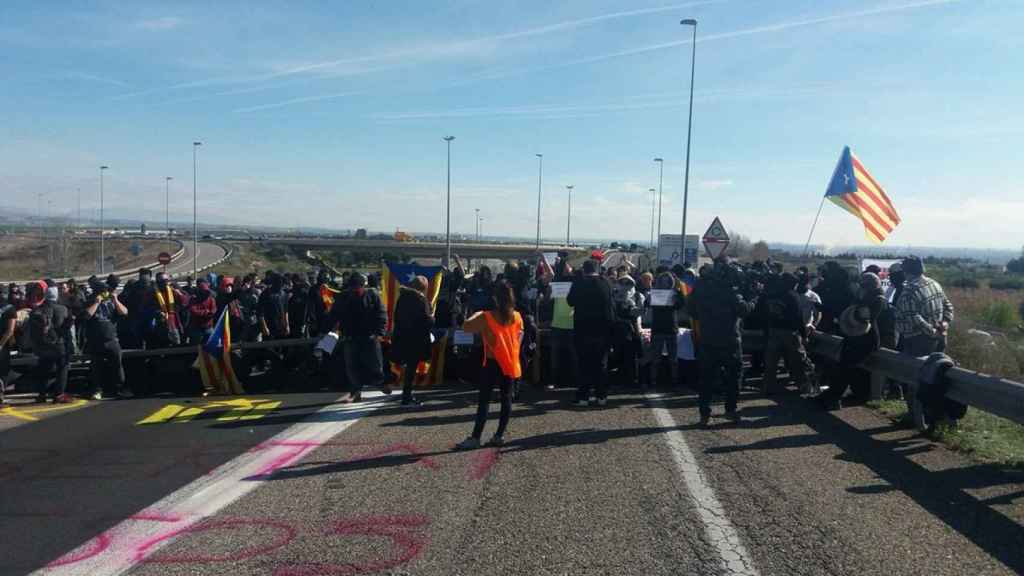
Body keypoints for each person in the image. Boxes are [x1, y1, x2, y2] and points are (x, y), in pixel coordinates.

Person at [455, 280, 523, 449]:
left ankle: (475, 437)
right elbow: (519, 337)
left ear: (494, 298)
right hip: (510, 362)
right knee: (506, 398)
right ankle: (499, 435)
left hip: (492, 363)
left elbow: (466, 327)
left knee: (484, 400)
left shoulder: (486, 316)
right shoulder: (517, 316)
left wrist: (474, 313)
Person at [688, 258, 757, 426]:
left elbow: (691, 310)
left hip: (708, 339)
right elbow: (743, 310)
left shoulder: (700, 286)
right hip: (730, 341)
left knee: (706, 379)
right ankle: (730, 411)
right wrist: (754, 299)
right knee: (733, 377)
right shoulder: (730, 290)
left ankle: (704, 414)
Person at [818, 273, 896, 410]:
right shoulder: (867, 297)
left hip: (866, 340)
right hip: (857, 338)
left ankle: (834, 398)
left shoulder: (878, 299)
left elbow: (865, 318)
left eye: (863, 284)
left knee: (845, 369)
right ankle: (844, 395)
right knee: (847, 368)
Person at [332, 273, 387, 403]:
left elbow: (381, 313)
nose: (355, 290)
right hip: (350, 336)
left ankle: (379, 382)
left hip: (369, 336)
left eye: (357, 287)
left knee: (375, 364)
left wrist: (380, 333)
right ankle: (355, 392)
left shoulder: (372, 295)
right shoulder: (343, 297)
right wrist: (326, 329)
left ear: (364, 286)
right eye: (352, 287)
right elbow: (333, 314)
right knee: (352, 366)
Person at [566, 259, 615, 406]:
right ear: (597, 269)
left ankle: (583, 397)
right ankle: (601, 396)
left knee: (584, 364)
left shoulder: (579, 283)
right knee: (601, 364)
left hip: (583, 329)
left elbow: (570, 301)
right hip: (603, 330)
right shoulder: (606, 283)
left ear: (584, 270)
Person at [758, 272, 813, 395]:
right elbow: (799, 318)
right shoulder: (793, 296)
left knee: (771, 362)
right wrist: (804, 335)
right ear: (792, 284)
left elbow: (762, 313)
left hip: (773, 331)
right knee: (797, 361)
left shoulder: (771, 295)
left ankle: (768, 387)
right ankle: (803, 386)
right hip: (790, 333)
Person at [82, 276, 130, 400]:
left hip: (112, 339)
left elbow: (124, 312)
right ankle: (97, 390)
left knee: (117, 365)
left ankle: (120, 388)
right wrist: (96, 302)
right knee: (96, 367)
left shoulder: (112, 302)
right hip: (96, 340)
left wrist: (115, 300)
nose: (105, 294)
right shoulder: (90, 300)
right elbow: (86, 316)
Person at [895, 256, 954, 357]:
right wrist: (945, 323)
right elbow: (948, 306)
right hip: (940, 337)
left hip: (918, 342)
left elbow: (915, 319)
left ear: (905, 272)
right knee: (935, 368)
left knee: (915, 370)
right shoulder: (934, 283)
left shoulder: (908, 292)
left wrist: (933, 332)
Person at [391, 276, 434, 406]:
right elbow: (426, 321)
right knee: (411, 369)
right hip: (416, 339)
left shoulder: (402, 297)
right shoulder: (421, 300)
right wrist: (432, 317)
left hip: (402, 336)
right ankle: (406, 397)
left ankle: (405, 394)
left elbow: (396, 317)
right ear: (424, 288)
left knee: (405, 366)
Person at [30, 285, 73, 403]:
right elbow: (67, 326)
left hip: (42, 344)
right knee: (62, 369)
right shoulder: (63, 309)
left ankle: (41, 394)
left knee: (44, 369)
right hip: (58, 344)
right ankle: (59, 394)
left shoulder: (38, 309)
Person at [644, 271, 684, 390]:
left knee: (673, 359)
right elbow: (647, 304)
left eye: (667, 280)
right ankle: (653, 381)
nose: (665, 283)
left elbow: (680, 304)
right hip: (659, 329)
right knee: (656, 358)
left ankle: (674, 381)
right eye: (663, 280)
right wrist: (651, 295)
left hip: (670, 328)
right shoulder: (655, 293)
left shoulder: (675, 293)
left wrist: (678, 290)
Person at [611, 275, 643, 389]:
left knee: (631, 356)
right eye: (622, 283)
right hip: (617, 328)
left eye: (628, 283)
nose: (625, 286)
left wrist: (632, 308)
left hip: (632, 328)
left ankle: (632, 379)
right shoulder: (613, 295)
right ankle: (619, 379)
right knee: (618, 354)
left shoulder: (637, 295)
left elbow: (640, 312)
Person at [186, 277, 218, 345]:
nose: (206, 292)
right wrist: (206, 312)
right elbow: (193, 311)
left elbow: (214, 310)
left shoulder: (211, 298)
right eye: (204, 290)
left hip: (208, 326)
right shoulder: (193, 299)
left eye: (206, 290)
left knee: (211, 345)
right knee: (196, 346)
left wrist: (209, 313)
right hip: (196, 327)